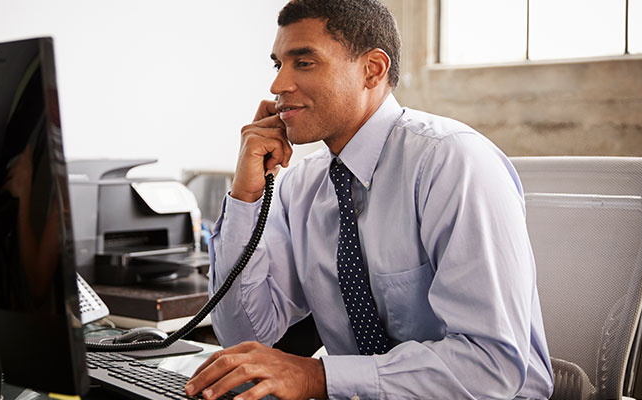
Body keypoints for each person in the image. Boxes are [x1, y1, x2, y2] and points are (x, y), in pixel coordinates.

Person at [185, 0, 554, 398]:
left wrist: (317, 377)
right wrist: (247, 196)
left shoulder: (451, 162)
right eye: (278, 65)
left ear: (372, 70)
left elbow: (491, 366)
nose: (277, 87)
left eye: (303, 62)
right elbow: (244, 334)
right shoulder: (303, 185)